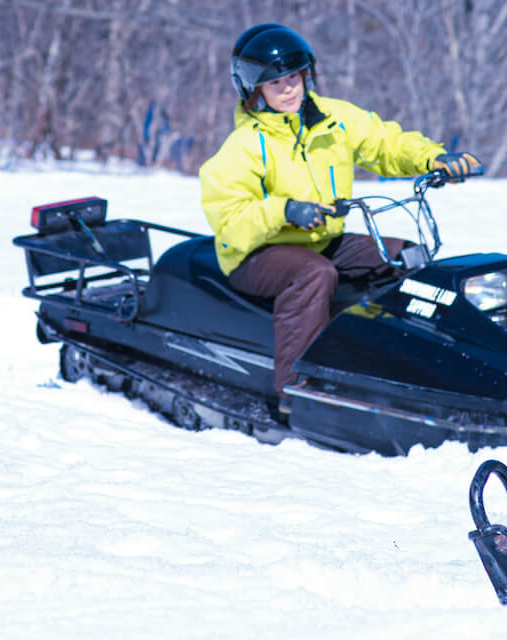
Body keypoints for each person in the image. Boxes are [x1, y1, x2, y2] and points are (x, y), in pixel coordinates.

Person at [198, 22, 482, 419]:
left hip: (321, 237)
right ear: (253, 89)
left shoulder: (334, 119)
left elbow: (385, 142)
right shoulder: (244, 146)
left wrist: (433, 158)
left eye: (294, 76)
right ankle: (297, 393)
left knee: (407, 256)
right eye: (274, 81)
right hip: (255, 254)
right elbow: (229, 217)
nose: (288, 88)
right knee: (314, 273)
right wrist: (285, 210)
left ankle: (410, 362)